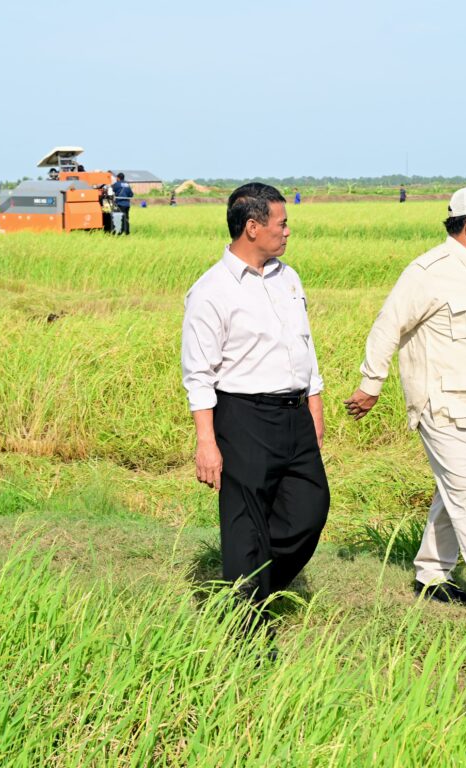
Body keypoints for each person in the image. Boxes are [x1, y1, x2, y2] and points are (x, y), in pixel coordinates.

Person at [344, 185, 466, 622]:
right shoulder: (428, 272)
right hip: (443, 405)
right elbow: (387, 326)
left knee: (455, 493)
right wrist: (371, 384)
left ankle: (431, 575)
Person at [182, 182, 330, 628]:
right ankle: (245, 630)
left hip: (294, 414)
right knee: (246, 525)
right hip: (242, 416)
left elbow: (305, 347)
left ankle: (256, 589)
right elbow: (199, 374)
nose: (288, 232)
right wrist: (206, 443)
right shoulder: (210, 291)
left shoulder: (289, 277)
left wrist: (315, 408)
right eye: (282, 223)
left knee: (310, 509)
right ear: (252, 227)